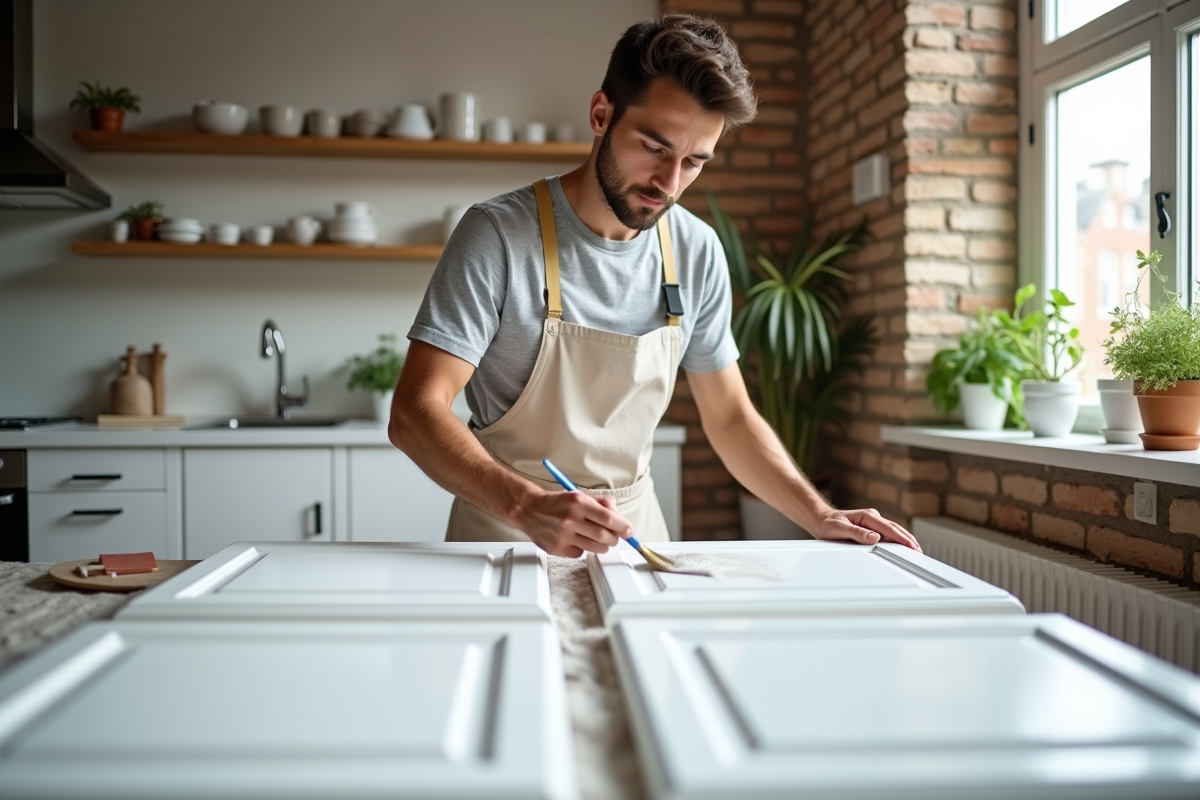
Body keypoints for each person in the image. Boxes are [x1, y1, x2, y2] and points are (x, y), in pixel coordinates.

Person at [390, 12, 921, 557]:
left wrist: (819, 514)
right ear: (601, 114)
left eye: (694, 162)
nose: (669, 184)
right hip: (506, 534)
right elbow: (415, 411)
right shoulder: (498, 234)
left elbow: (730, 417)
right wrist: (526, 506)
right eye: (654, 147)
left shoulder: (695, 250)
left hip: (633, 538)